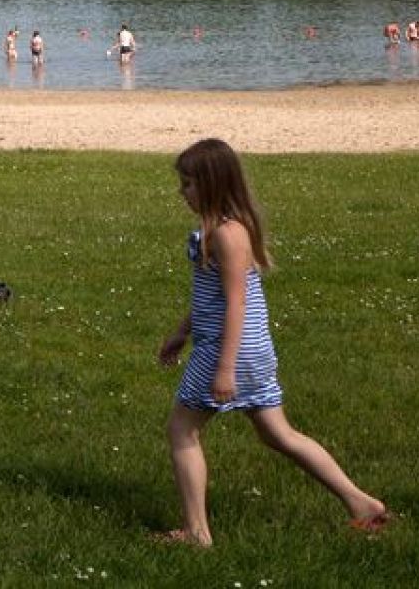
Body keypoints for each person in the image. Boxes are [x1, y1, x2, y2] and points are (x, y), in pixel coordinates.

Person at [156, 138, 389, 547]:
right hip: (252, 350)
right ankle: (361, 503)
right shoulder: (222, 230)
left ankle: (196, 533)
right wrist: (182, 330)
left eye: (189, 184)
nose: (182, 192)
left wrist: (225, 368)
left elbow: (236, 303)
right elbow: (211, 298)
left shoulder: (227, 235)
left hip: (227, 352)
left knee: (182, 431)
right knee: (277, 434)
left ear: (212, 184)